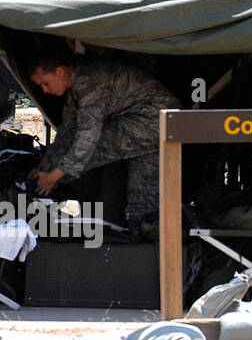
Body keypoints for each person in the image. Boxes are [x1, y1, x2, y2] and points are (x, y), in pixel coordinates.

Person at [27, 54, 179, 231]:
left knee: (92, 147)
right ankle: (141, 240)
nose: (45, 90)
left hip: (155, 121)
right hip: (156, 126)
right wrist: (44, 164)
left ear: (60, 72)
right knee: (143, 197)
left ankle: (42, 188)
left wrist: (54, 176)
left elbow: (88, 138)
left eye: (45, 83)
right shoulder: (76, 90)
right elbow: (67, 132)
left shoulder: (89, 82)